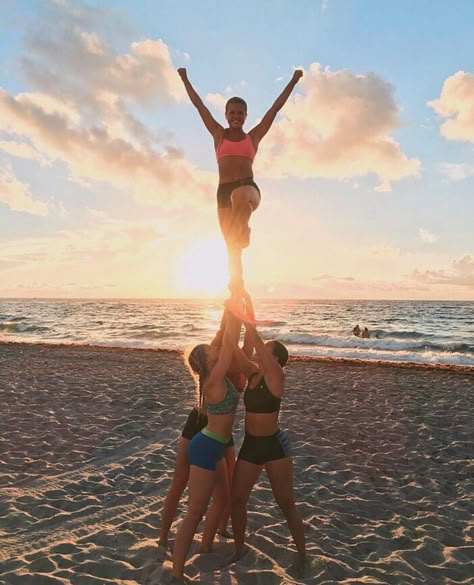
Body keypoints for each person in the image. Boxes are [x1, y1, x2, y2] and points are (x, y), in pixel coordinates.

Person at [177, 67, 303, 292]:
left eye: (240, 113)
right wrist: (184, 78)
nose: (236, 116)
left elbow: (274, 109)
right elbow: (199, 106)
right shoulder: (218, 135)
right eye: (232, 112)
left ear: (246, 116)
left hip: (247, 189)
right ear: (226, 115)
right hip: (223, 193)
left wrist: (294, 80)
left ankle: (244, 225)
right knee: (232, 250)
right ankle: (238, 296)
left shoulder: (253, 137)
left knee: (240, 197)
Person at [158, 302, 255, 551]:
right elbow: (226, 330)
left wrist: (243, 308)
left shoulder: (236, 364)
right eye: (216, 347)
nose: (216, 347)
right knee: (180, 482)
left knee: (228, 486)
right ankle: (162, 537)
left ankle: (219, 529)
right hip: (200, 424)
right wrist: (232, 303)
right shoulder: (215, 364)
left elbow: (246, 341)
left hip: (221, 432)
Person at [171, 301, 245, 582]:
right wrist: (234, 311)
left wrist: (232, 308)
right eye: (210, 350)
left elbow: (227, 339)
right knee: (195, 512)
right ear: (205, 362)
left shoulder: (220, 375)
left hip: (215, 447)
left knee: (223, 500)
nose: (214, 349)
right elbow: (228, 342)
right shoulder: (213, 380)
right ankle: (177, 572)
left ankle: (205, 545)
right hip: (204, 448)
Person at [230, 309, 307, 575]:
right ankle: (239, 550)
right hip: (251, 445)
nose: (261, 351)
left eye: (268, 349)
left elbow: (255, 340)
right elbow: (233, 348)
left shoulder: (277, 378)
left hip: (274, 447)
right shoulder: (252, 374)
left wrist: (246, 306)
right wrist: (231, 316)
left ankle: (303, 556)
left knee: (286, 504)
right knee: (237, 499)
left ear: (275, 359)